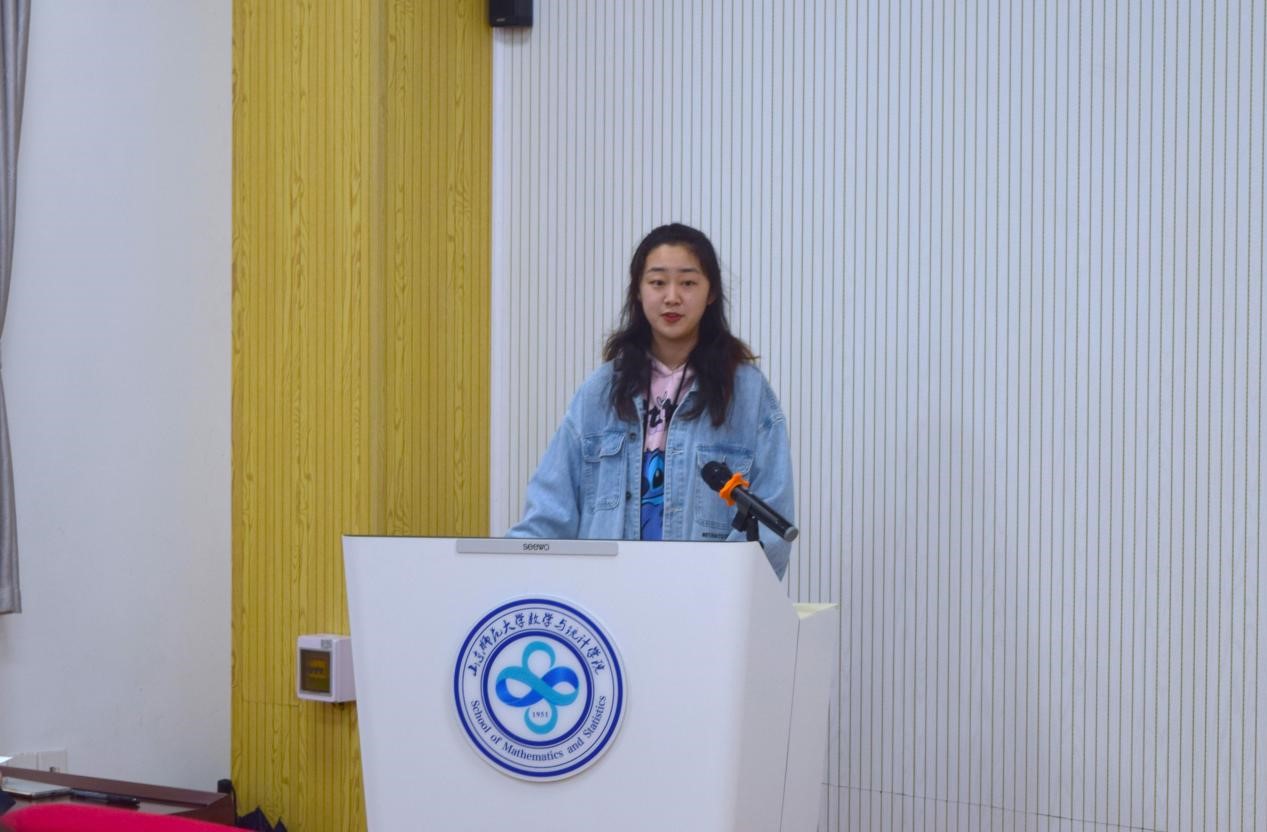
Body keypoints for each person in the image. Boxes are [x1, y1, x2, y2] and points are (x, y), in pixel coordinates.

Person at [506, 223, 794, 579]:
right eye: (657, 282)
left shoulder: (747, 393)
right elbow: (549, 516)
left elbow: (772, 522)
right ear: (638, 292)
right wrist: (505, 575)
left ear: (711, 293)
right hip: (607, 596)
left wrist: (721, 595)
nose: (672, 297)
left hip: (702, 599)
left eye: (688, 283)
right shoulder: (600, 391)